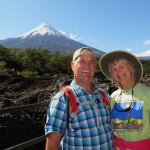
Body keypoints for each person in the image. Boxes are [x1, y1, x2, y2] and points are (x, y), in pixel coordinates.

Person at [45, 47, 114, 150]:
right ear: (72, 65)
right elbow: (52, 144)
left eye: (91, 62)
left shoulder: (103, 95)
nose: (87, 66)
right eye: (82, 61)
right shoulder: (63, 99)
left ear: (94, 67)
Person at [99, 50, 150, 150]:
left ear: (131, 68)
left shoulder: (147, 93)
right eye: (114, 69)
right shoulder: (113, 96)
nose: (118, 72)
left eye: (122, 67)